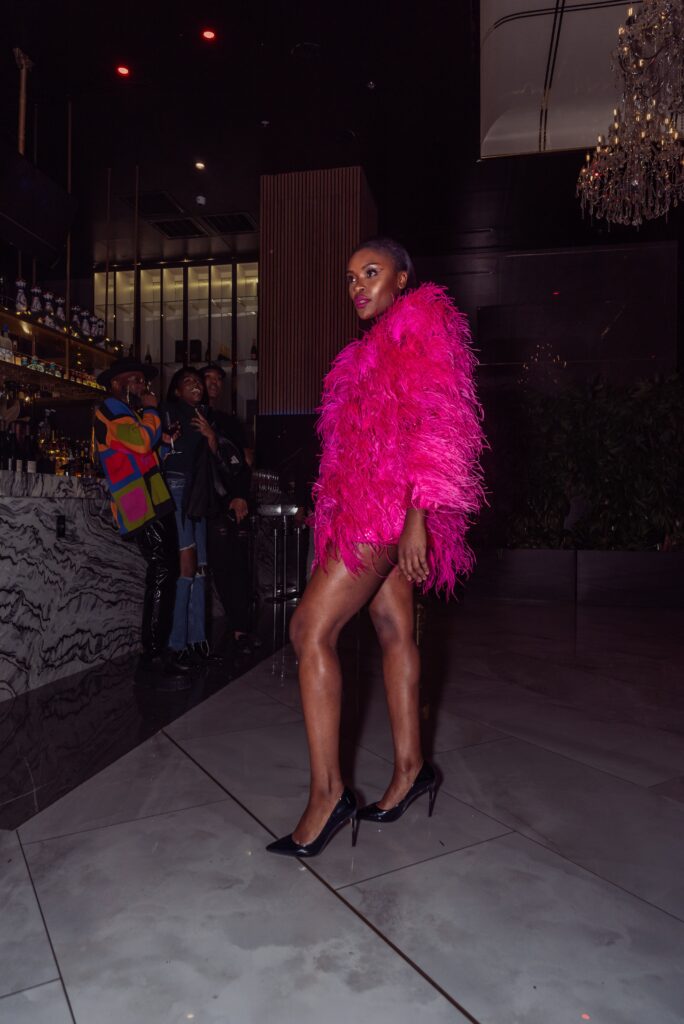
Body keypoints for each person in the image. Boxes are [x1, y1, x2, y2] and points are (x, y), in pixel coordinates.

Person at [267, 238, 485, 858]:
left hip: (386, 509)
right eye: (351, 277)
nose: (358, 286)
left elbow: (440, 424)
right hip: (367, 504)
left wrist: (419, 515)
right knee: (394, 629)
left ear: (403, 279)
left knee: (310, 629)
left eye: (372, 272)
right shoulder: (366, 351)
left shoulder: (424, 324)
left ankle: (329, 793)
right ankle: (412, 769)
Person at [94, 356, 190, 688]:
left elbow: (145, 451)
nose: (142, 387)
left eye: (143, 381)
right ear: (117, 383)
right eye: (135, 380)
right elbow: (139, 442)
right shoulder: (108, 408)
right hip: (139, 505)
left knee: (167, 571)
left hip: (154, 500)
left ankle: (157, 650)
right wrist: (152, 413)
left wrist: (162, 439)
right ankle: (152, 655)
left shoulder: (129, 414)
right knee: (163, 571)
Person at [161, 367, 222, 665]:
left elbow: (216, 458)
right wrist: (165, 439)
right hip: (177, 488)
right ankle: (177, 642)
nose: (196, 386)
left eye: (198, 382)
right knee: (187, 566)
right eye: (189, 382)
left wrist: (210, 434)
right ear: (176, 390)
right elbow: (156, 448)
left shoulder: (205, 415)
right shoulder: (169, 410)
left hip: (199, 493)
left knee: (201, 568)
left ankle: (197, 640)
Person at [199, 363, 260, 653]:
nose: (213, 383)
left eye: (217, 380)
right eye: (207, 378)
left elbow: (244, 463)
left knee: (233, 566)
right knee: (206, 569)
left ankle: (240, 629)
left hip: (225, 503)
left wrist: (240, 496)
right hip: (196, 503)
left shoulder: (228, 422)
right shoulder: (184, 415)